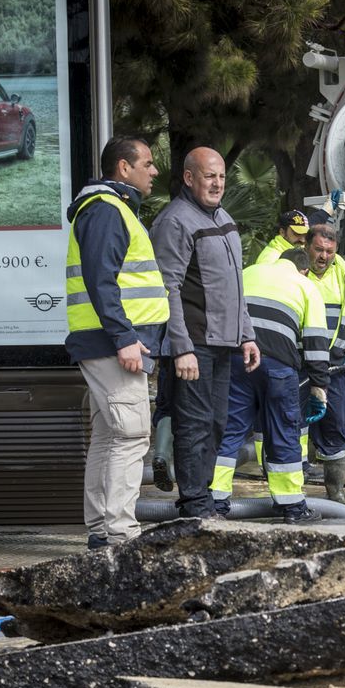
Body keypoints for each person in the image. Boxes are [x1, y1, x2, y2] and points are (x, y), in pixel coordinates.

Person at [65, 137, 167, 549]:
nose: (154, 171)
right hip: (115, 344)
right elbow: (100, 280)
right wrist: (125, 338)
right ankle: (121, 534)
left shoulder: (109, 209)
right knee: (131, 436)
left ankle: (103, 532)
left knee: (111, 437)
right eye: (147, 163)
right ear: (123, 169)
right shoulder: (107, 210)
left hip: (110, 342)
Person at [150, 147, 260, 519]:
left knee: (216, 422)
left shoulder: (224, 217)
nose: (217, 184)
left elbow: (236, 285)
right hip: (193, 345)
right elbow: (168, 288)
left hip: (224, 343)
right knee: (194, 425)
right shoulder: (175, 221)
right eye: (209, 176)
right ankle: (194, 503)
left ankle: (204, 497)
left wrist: (247, 334)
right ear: (188, 177)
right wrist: (180, 348)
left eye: (222, 177)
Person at [211, 249, 332, 524]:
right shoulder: (306, 286)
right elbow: (315, 343)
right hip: (278, 366)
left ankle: (215, 504)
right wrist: (318, 387)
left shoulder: (248, 273)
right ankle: (292, 508)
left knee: (228, 431)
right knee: (283, 432)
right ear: (303, 269)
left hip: (234, 359)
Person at [303, 222, 345, 503]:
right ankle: (290, 494)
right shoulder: (295, 272)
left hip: (335, 368)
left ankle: (336, 496)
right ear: (306, 247)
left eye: (329, 251)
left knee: (335, 428)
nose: (323, 257)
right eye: (318, 250)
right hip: (300, 366)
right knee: (293, 428)